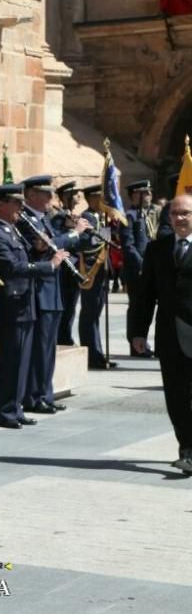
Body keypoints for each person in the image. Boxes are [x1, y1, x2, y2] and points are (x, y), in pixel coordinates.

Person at [0, 184, 67, 429]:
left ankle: (16, 406)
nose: (21, 208)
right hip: (12, 303)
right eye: (16, 202)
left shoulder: (12, 230)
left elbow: (24, 258)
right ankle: (6, 410)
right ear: (1, 204)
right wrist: (49, 265)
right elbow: (12, 267)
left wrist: (39, 249)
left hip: (24, 301)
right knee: (11, 360)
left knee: (22, 360)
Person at [16, 175, 88, 413]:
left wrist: (72, 233)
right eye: (46, 193)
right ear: (31, 195)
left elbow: (55, 245)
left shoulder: (43, 219)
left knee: (49, 347)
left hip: (52, 290)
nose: (51, 198)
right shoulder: (24, 219)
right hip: (39, 292)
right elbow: (44, 247)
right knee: (39, 347)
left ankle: (45, 393)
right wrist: (72, 234)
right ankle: (34, 396)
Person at [132, 195, 192, 471]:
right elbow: (144, 294)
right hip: (169, 335)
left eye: (186, 213)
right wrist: (138, 332)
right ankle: (187, 449)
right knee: (176, 396)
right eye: (175, 213)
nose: (180, 218)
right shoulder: (158, 249)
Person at [77, 184, 117, 369]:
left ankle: (98, 352)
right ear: (91, 199)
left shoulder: (101, 217)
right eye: (98, 198)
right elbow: (87, 244)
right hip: (91, 271)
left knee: (95, 314)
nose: (102, 201)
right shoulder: (86, 218)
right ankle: (92, 353)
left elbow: (106, 242)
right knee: (89, 314)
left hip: (101, 271)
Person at [120, 180, 155, 357]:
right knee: (136, 307)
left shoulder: (149, 214)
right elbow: (128, 246)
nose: (149, 196)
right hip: (137, 271)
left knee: (147, 307)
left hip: (150, 269)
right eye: (145, 193)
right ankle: (135, 344)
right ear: (135, 195)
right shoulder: (130, 216)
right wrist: (143, 265)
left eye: (149, 192)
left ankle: (143, 342)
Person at [52, 182, 82, 345]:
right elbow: (57, 240)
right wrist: (73, 231)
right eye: (75, 193)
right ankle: (62, 336)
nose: (79, 196)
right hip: (64, 267)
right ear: (66, 196)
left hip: (75, 266)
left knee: (71, 305)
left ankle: (66, 334)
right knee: (65, 304)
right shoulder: (59, 218)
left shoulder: (73, 216)